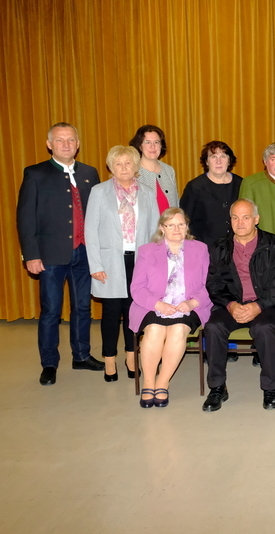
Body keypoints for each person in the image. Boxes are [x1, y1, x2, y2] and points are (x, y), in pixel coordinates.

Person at [17, 122, 103, 385]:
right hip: (50, 256)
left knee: (82, 307)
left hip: (84, 253)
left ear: (78, 144)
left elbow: (98, 214)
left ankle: (81, 356)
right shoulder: (35, 174)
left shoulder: (89, 172)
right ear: (49, 144)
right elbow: (25, 218)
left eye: (71, 140)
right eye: (60, 140)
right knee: (51, 311)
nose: (66, 144)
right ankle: (49, 363)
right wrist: (31, 255)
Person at [201, 199, 275, 412]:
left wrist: (258, 306)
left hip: (267, 305)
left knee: (263, 328)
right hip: (232, 304)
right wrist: (231, 305)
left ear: (256, 219)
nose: (240, 223)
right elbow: (214, 284)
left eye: (245, 217)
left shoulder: (273, 245)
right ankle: (217, 387)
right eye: (235, 218)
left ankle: (270, 388)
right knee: (213, 327)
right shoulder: (221, 246)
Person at [85, 146, 159, 382]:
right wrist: (95, 265)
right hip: (109, 262)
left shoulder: (147, 192)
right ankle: (109, 360)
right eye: (118, 163)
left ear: (136, 166)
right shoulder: (99, 192)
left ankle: (131, 357)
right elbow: (90, 230)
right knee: (110, 312)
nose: (124, 168)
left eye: (128, 163)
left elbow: (155, 230)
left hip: (139, 261)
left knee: (133, 311)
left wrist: (154, 266)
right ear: (111, 167)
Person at [129, 208, 212, 408]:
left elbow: (208, 284)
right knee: (154, 331)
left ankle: (162, 382)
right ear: (162, 228)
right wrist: (158, 304)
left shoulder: (200, 249)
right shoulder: (147, 251)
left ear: (187, 226)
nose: (176, 229)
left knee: (177, 331)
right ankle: (148, 382)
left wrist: (192, 303)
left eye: (181, 224)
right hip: (152, 305)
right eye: (171, 225)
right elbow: (137, 287)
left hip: (189, 305)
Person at [180, 140, 243, 247]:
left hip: (236, 246)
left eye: (223, 156)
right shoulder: (195, 187)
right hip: (204, 247)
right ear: (206, 161)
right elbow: (185, 220)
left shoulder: (241, 183)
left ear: (229, 161)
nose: (218, 161)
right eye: (213, 157)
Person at [129, 125, 179, 213]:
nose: (152, 146)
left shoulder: (169, 170)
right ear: (140, 146)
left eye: (156, 142)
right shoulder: (132, 171)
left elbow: (176, 203)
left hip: (170, 221)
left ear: (161, 145)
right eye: (147, 142)